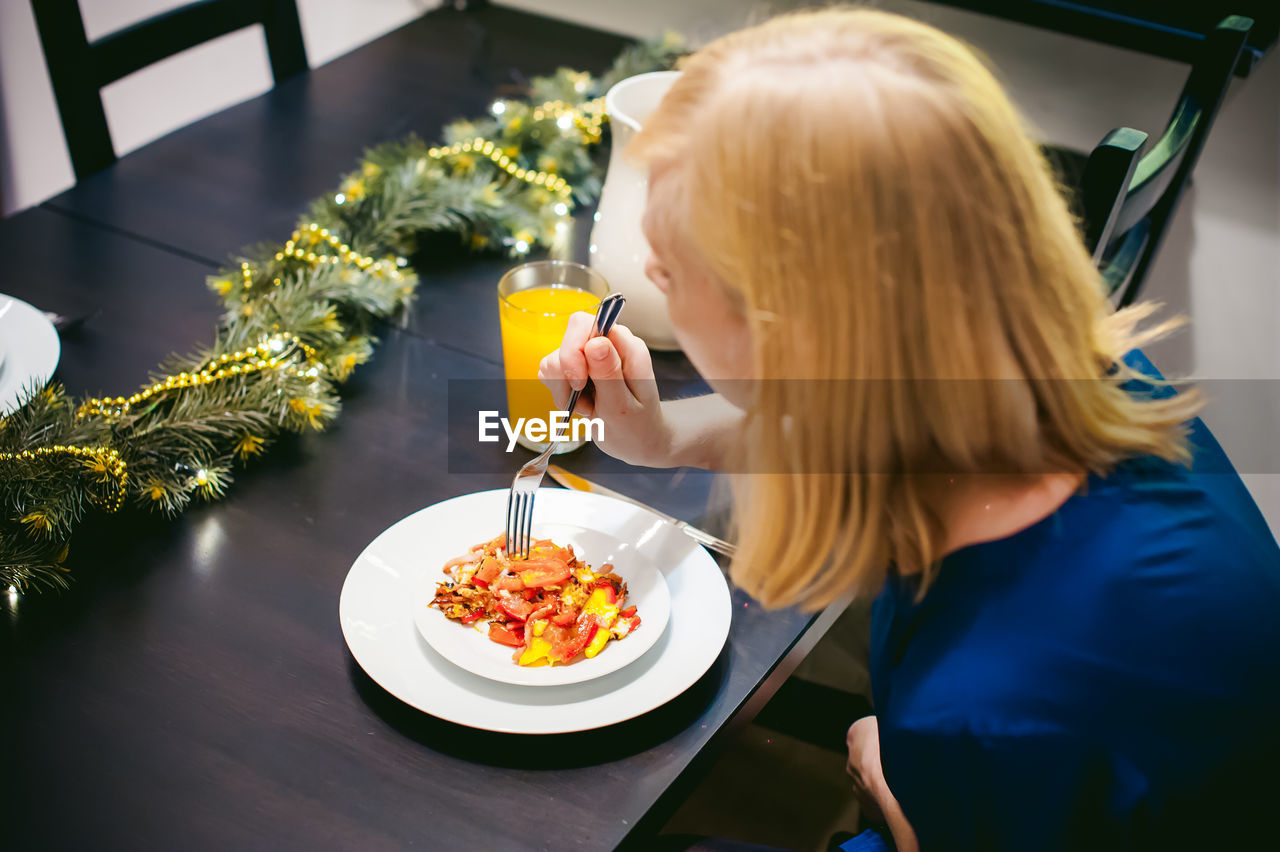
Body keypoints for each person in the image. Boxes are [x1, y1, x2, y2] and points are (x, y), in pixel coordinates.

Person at [539, 9, 1280, 851]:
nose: (651, 280)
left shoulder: (987, 716)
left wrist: (903, 816)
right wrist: (666, 439)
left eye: (668, 272)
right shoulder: (1072, 373)